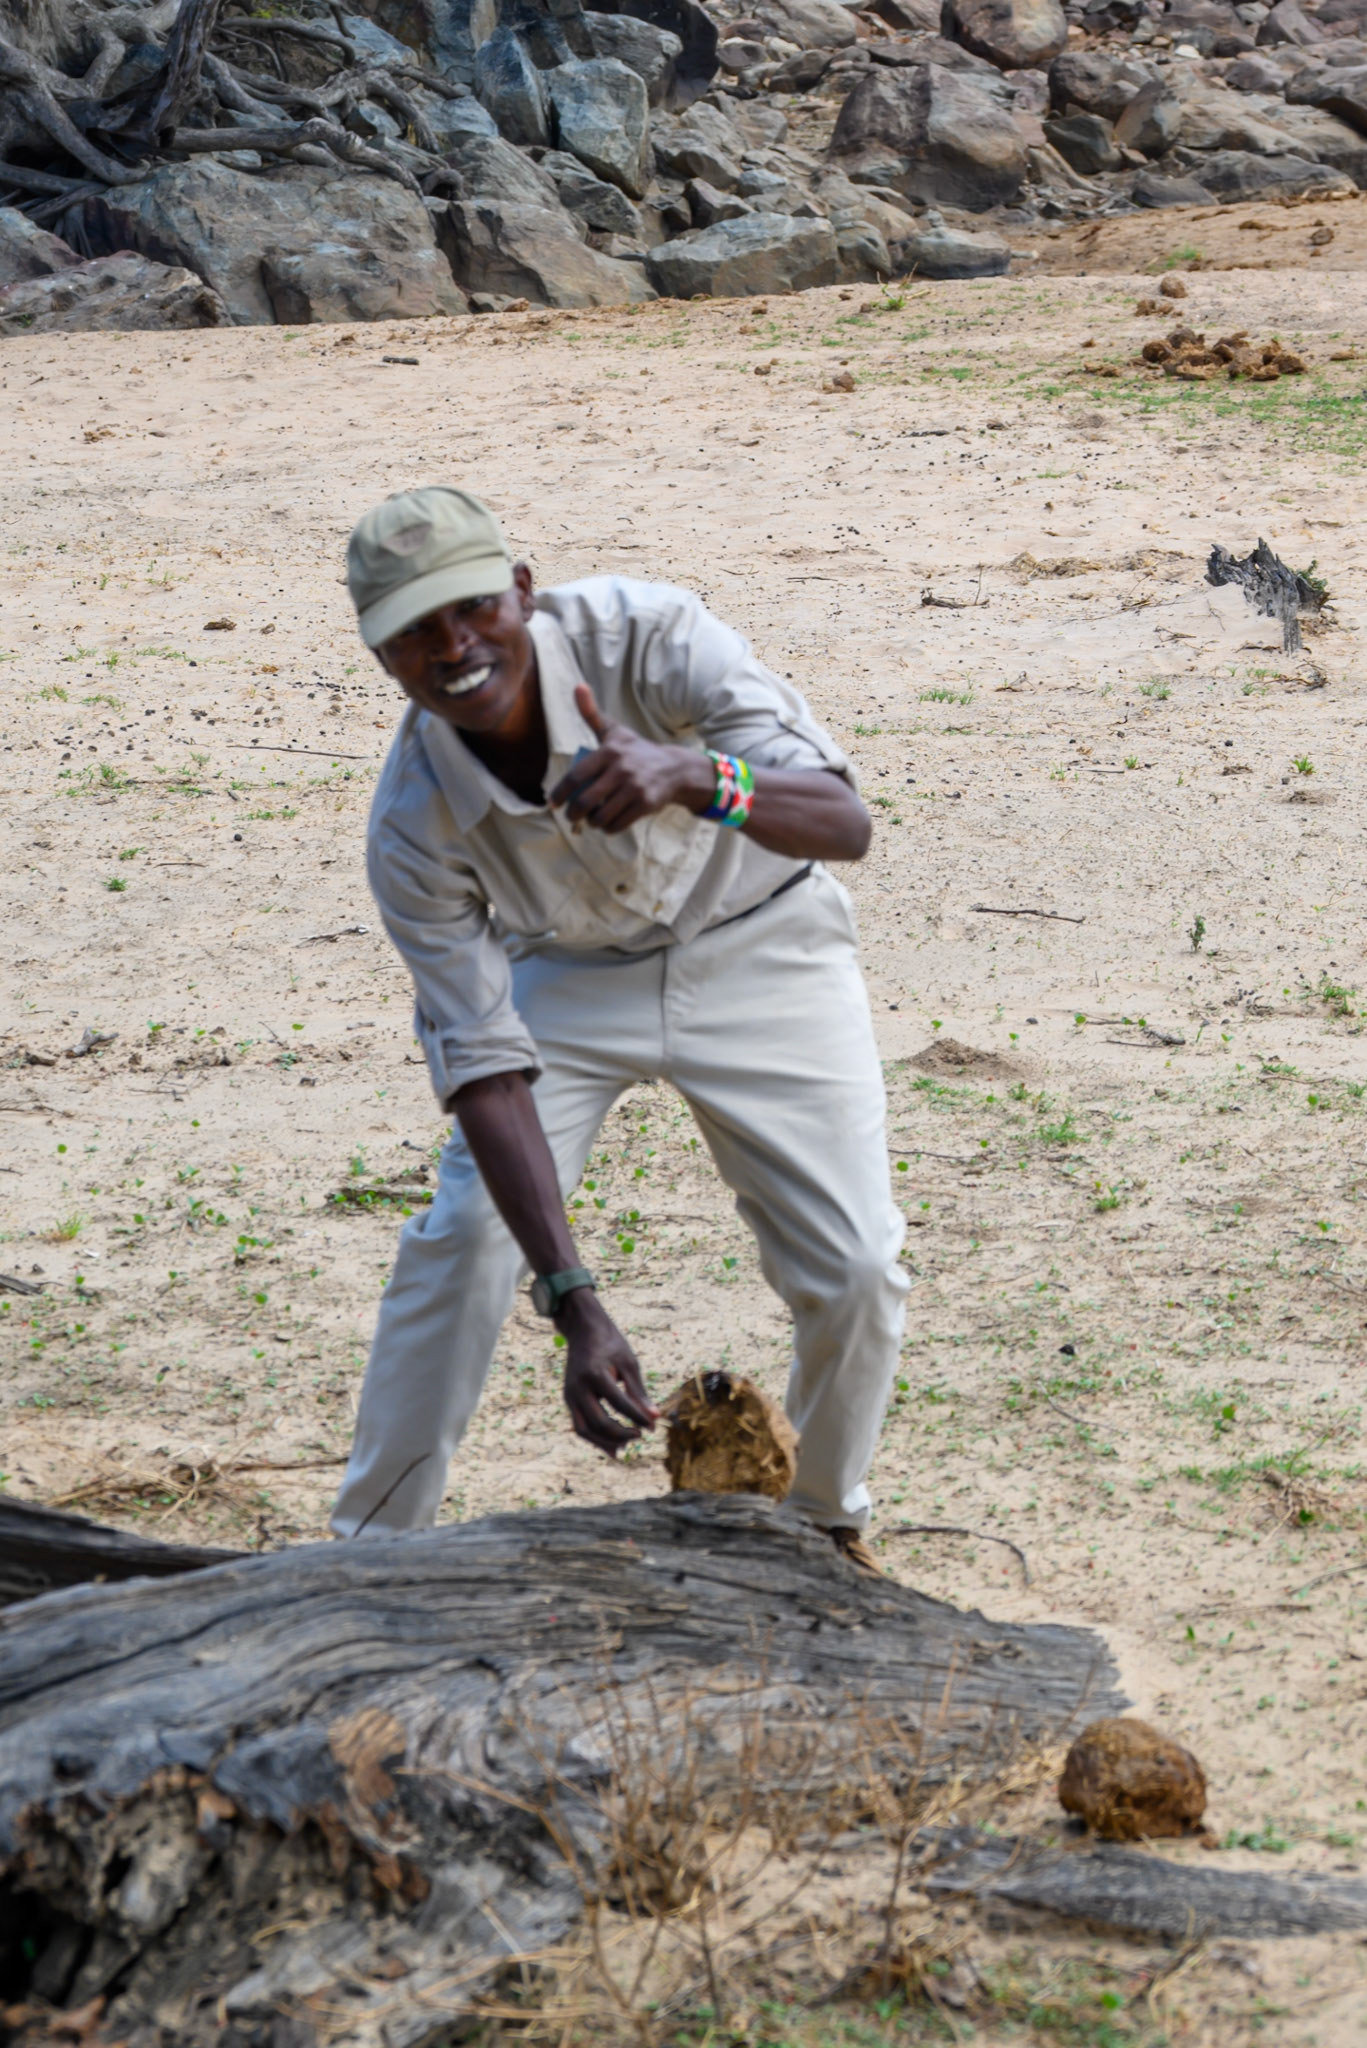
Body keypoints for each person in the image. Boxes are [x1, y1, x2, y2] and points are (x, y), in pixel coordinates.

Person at [329, 486, 908, 1568]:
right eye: (413, 630)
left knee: (857, 1267)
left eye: (472, 607)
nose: (452, 647)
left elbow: (842, 821)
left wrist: (693, 775)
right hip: (568, 975)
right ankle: (365, 1555)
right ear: (379, 654)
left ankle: (819, 1530)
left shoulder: (649, 633)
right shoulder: (412, 822)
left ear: (521, 590)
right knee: (461, 1244)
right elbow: (485, 1070)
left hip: (761, 938)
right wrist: (571, 1299)